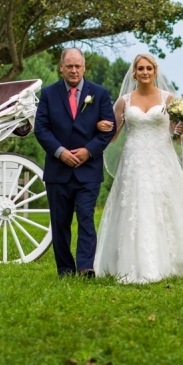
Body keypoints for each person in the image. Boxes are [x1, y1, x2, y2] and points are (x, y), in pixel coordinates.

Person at [93, 53, 183, 283]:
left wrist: (178, 132)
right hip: (134, 161)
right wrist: (100, 126)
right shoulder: (124, 101)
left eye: (149, 68)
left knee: (166, 207)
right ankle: (136, 262)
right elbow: (112, 137)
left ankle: (174, 259)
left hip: (161, 160)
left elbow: (175, 136)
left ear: (155, 71)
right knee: (136, 206)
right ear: (134, 72)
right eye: (140, 69)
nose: (145, 72)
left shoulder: (169, 99)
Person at [34, 48, 116, 277]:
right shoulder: (48, 94)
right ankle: (65, 269)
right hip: (57, 170)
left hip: (87, 171)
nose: (73, 70)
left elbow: (110, 127)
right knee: (60, 223)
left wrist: (88, 151)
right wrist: (60, 152)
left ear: (84, 67)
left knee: (86, 218)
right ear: (61, 67)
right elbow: (40, 128)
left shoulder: (99, 94)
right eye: (69, 66)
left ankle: (86, 267)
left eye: (77, 66)